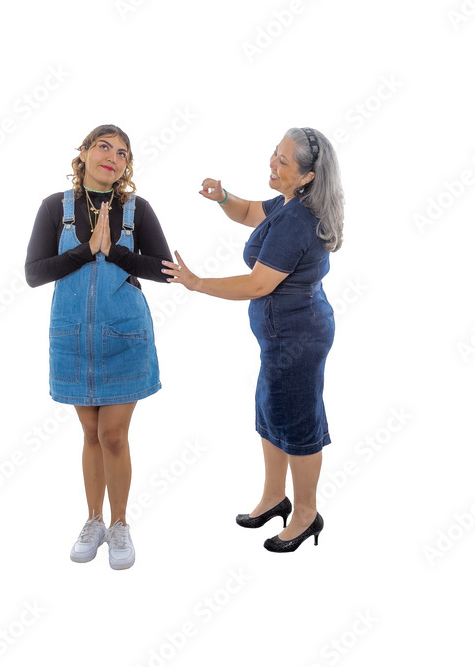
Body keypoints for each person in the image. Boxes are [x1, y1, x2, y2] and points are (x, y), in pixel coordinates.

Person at [162, 127, 344, 552]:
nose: (272, 165)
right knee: (272, 411)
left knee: (298, 423)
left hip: (297, 337)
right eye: (273, 155)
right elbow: (249, 213)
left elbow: (260, 284)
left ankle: (305, 514)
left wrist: (197, 282)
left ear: (307, 176)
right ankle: (273, 497)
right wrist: (224, 198)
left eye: (283, 162)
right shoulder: (290, 202)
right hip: (281, 336)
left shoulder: (298, 221)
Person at [25, 124, 171, 569]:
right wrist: (89, 250)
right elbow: (34, 272)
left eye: (123, 152)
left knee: (112, 434)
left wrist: (117, 253)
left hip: (125, 335)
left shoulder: (136, 208)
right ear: (85, 152)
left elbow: (164, 270)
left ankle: (120, 524)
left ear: (127, 165)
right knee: (89, 433)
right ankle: (93, 520)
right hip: (72, 336)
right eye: (104, 147)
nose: (113, 156)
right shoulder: (55, 207)